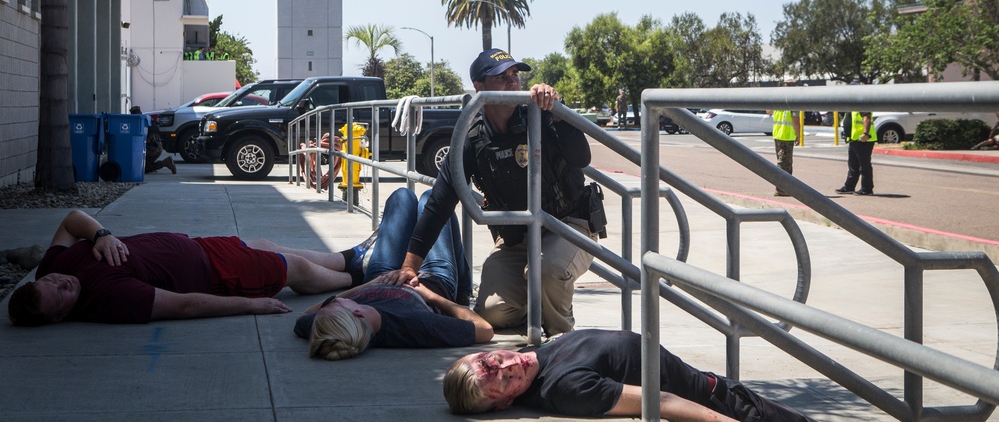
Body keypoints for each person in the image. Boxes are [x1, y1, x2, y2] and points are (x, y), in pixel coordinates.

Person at [381, 48, 598, 336]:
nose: (513, 82)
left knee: (548, 272)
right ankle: (536, 302)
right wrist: (409, 266)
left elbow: (582, 158)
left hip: (568, 225)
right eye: (501, 77)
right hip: (517, 239)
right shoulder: (473, 139)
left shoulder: (541, 113)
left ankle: (562, 339)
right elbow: (440, 203)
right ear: (479, 87)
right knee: (493, 312)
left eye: (515, 75)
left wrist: (559, 114)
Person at [7, 209, 372, 325]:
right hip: (214, 274)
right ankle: (357, 275)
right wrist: (250, 304)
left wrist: (101, 234)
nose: (61, 282)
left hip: (198, 247)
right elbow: (183, 305)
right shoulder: (108, 300)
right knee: (290, 268)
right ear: (58, 317)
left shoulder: (52, 266)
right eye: (59, 294)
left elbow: (72, 219)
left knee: (266, 246)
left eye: (52, 281)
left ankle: (348, 256)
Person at [444, 328, 816, 421]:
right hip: (725, 406)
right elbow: (661, 401)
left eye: (496, 361)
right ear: (505, 402)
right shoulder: (565, 387)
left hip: (720, 386)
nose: (511, 367)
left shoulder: (536, 354)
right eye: (505, 382)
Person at [294, 187, 491, 360]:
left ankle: (458, 283)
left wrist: (366, 286)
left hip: (379, 277)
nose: (334, 299)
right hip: (432, 280)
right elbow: (484, 330)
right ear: (357, 312)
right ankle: (462, 287)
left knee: (401, 197)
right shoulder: (415, 326)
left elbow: (303, 317)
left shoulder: (332, 327)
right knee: (432, 199)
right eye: (336, 303)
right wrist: (429, 295)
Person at [836, 92, 876, 196]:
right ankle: (849, 186)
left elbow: (866, 118)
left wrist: (865, 134)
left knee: (864, 165)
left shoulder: (861, 103)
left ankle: (867, 189)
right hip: (854, 139)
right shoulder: (852, 105)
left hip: (863, 140)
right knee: (853, 165)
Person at [765, 80, 799, 197]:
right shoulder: (792, 101)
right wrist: (799, 135)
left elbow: (768, 111)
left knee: (782, 161)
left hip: (777, 134)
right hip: (787, 135)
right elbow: (795, 121)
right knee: (785, 163)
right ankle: (781, 188)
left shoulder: (778, 99)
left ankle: (784, 187)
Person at [130, 106, 176, 174]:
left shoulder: (141, 122)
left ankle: (165, 163)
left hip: (153, 148)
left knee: (143, 168)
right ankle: (152, 164)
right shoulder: (147, 120)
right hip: (156, 147)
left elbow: (148, 140)